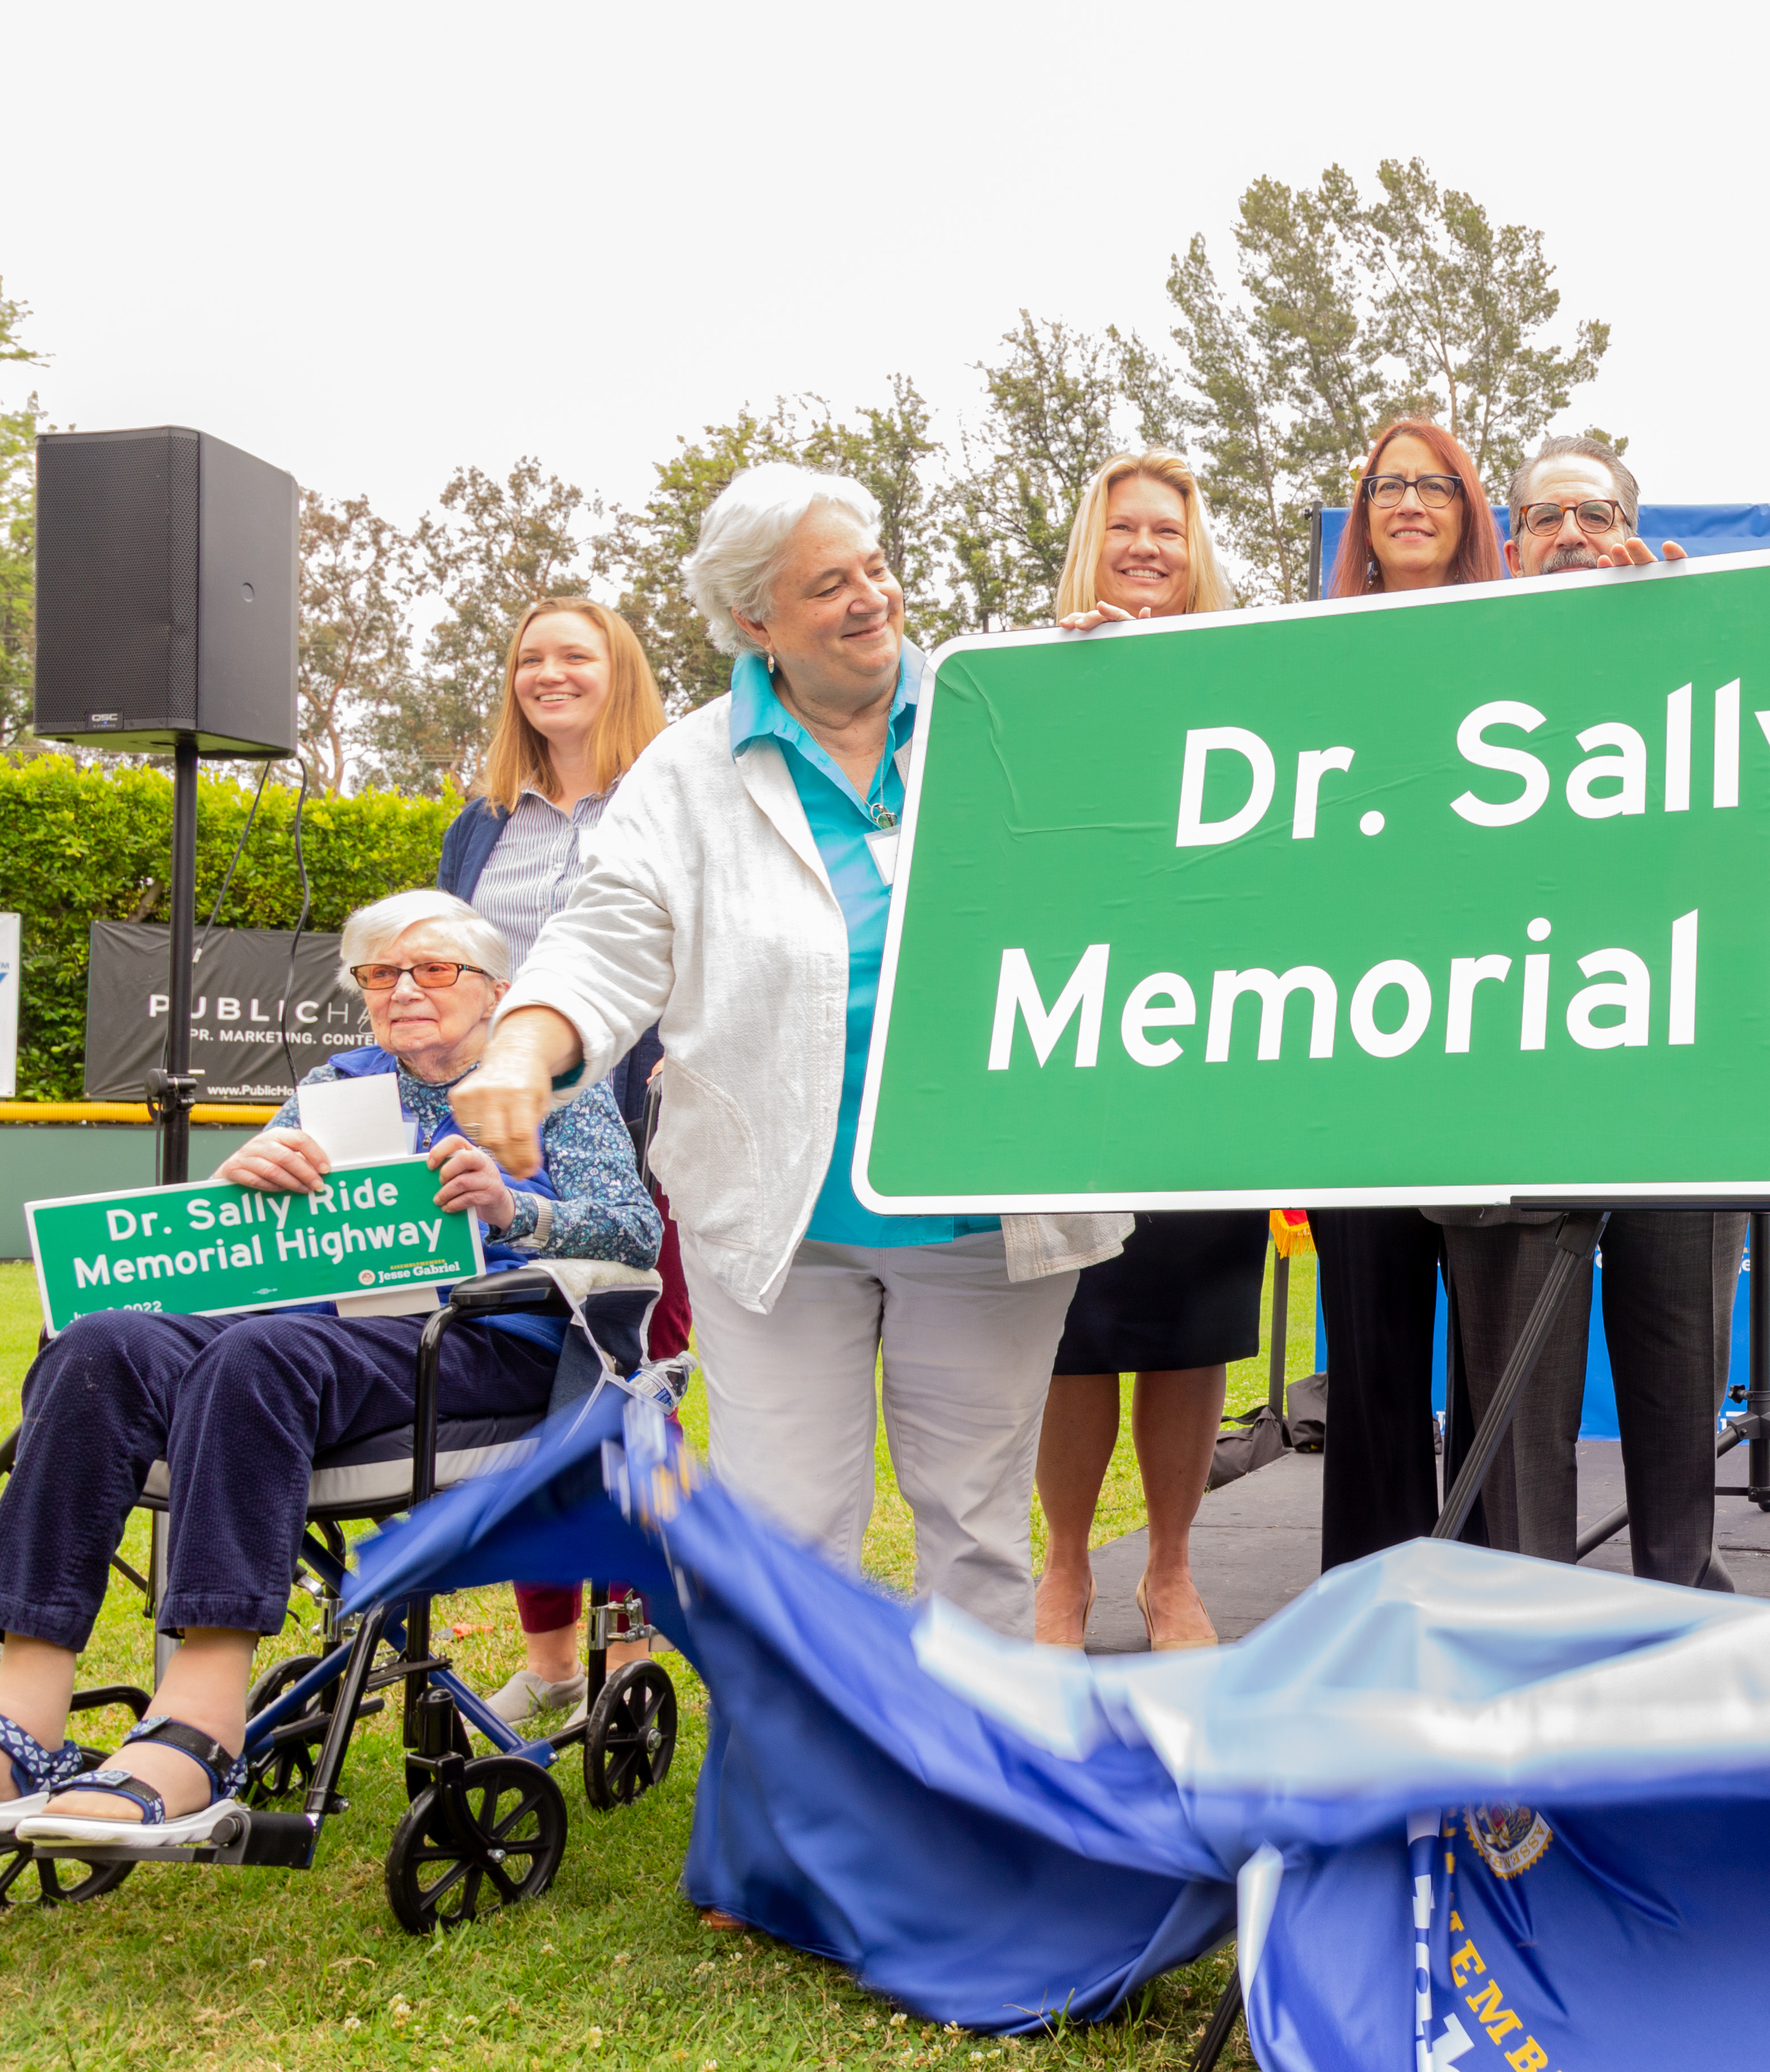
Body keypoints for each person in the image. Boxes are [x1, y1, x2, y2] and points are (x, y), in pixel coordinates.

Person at [452, 463, 1127, 1640]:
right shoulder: (689, 768)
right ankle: (811, 1792)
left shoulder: (1006, 706)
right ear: (756, 623)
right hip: (775, 1217)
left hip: (977, 1203)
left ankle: (977, 1786)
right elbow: (607, 938)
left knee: (972, 1519)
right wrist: (522, 1048)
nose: (872, 598)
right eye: (830, 586)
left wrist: (1129, 690)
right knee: (789, 1528)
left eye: (875, 568)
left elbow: (1150, 831)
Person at [0, 891, 656, 1848]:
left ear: (495, 993)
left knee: (256, 1354)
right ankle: (23, 1716)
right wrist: (246, 1179)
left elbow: (636, 1231)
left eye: (435, 970)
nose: (405, 991)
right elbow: (251, 1245)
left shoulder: (554, 1091)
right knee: (101, 1345)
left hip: (477, 1341)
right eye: (381, 975)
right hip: (319, 1334)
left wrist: (514, 1208)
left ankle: (200, 1723)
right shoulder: (335, 1083)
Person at [1427, 435, 1739, 1586]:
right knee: (1518, 1416)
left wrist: (1689, 641)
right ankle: (1527, 1642)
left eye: (1594, 514)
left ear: (1629, 532)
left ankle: (1677, 1622)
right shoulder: (1452, 672)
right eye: (1545, 516)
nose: (1570, 535)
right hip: (1507, 1092)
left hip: (1677, 1092)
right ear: (1511, 544)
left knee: (1679, 1373)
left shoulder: (1702, 662)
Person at [435, 595, 679, 1724]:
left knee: (629, 1385)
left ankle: (632, 1644)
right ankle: (550, 1661)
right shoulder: (484, 825)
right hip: (511, 1140)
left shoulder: (673, 796)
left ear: (616, 670)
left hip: (652, 1135)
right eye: (529, 656)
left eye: (572, 654)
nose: (548, 673)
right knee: (526, 1376)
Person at [1030, 452, 1260, 1651]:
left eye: (1168, 529)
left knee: (1190, 1329)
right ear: (1095, 539)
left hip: (1209, 1053)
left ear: (1194, 545)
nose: (1147, 547)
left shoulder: (1245, 673)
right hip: (1075, 1053)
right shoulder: (1036, 668)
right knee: (1076, 1337)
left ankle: (1168, 1572)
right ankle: (1064, 1573)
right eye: (1125, 527)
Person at [1313, 417, 1506, 1572]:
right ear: (1366, 515)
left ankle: (1484, 1585)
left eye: (1437, 483)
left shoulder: (1527, 644)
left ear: (1470, 508)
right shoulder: (1313, 656)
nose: (1413, 501)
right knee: (1374, 1349)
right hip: (1358, 1059)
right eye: (1390, 486)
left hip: (1494, 1051)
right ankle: (1370, 1594)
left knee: (1495, 1354)